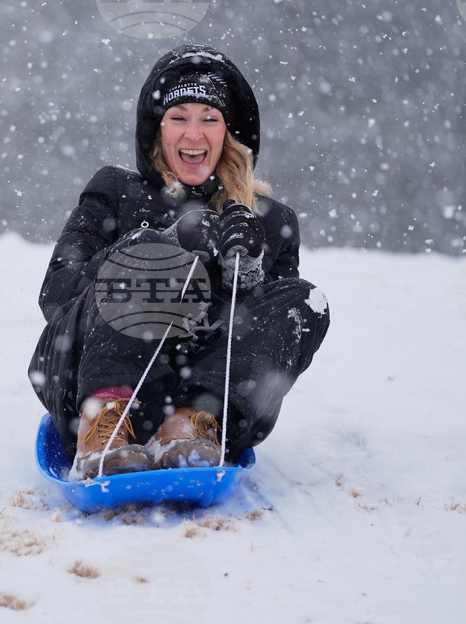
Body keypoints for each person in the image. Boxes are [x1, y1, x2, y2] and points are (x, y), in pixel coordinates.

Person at [28, 44, 329, 480]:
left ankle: (188, 424)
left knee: (305, 301)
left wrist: (246, 272)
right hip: (92, 375)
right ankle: (103, 425)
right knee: (151, 253)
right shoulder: (116, 190)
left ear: (228, 132)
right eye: (178, 117)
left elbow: (268, 337)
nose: (193, 134)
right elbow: (57, 294)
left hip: (205, 403)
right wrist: (159, 245)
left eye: (209, 118)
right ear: (157, 129)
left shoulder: (270, 220)